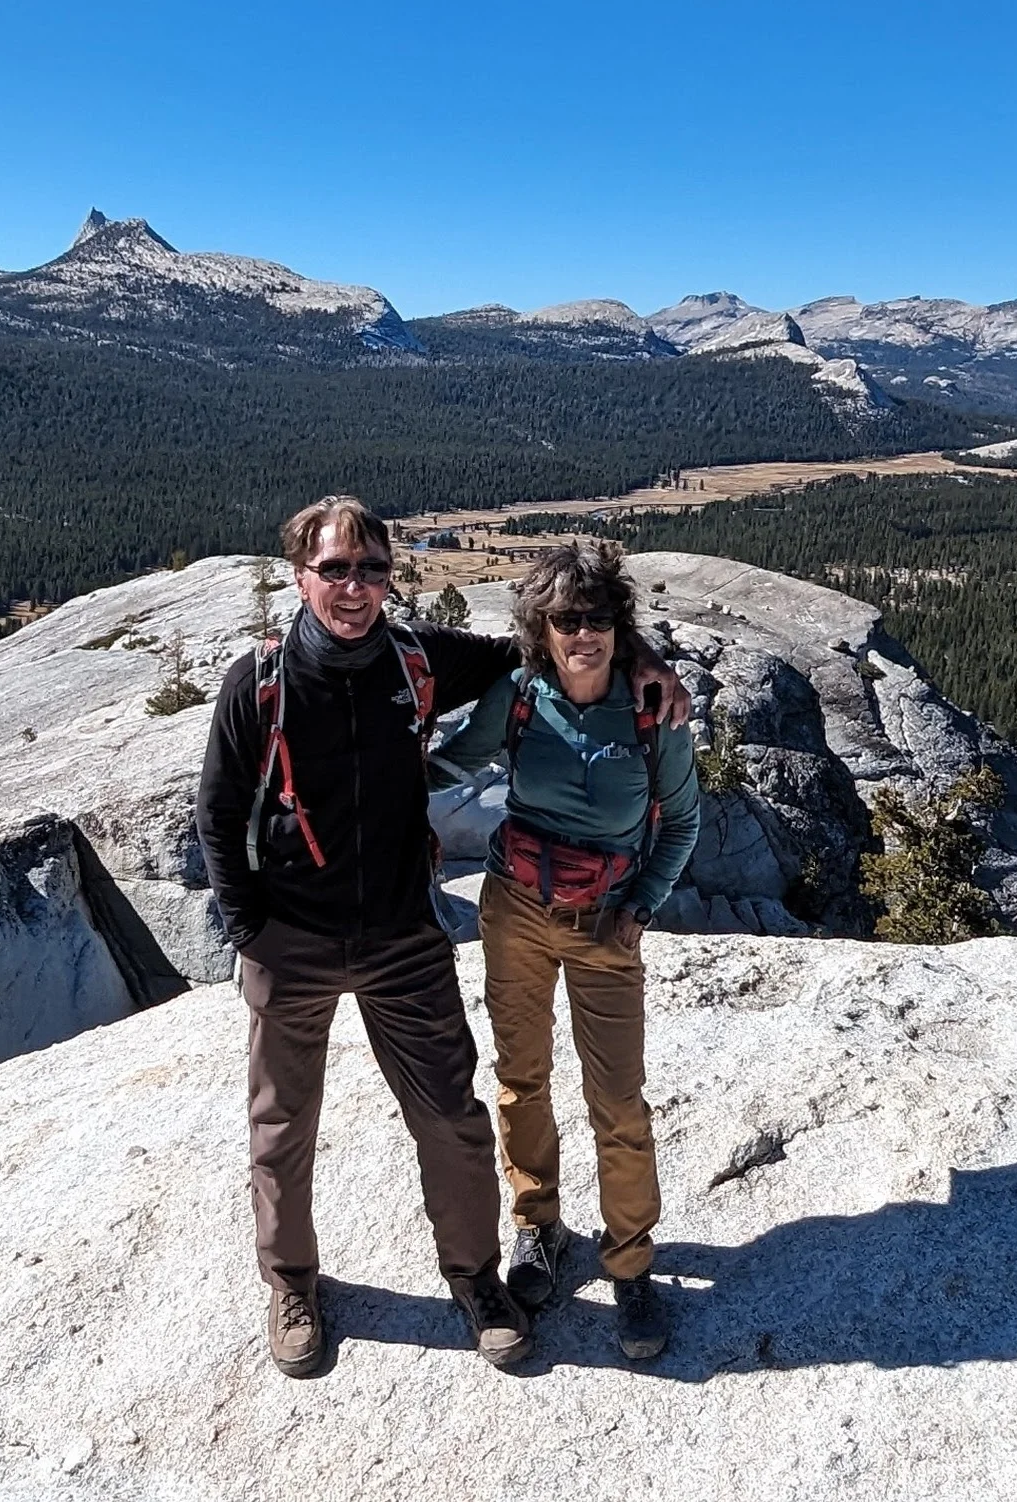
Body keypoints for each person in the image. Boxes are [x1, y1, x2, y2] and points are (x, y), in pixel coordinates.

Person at [195, 497, 684, 1378]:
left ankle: (475, 1279)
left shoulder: (417, 657)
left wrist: (638, 651)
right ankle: (292, 1282)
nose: (354, 588)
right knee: (281, 1127)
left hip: (400, 937)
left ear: (390, 577)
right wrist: (247, 930)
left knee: (454, 1124)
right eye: (335, 569)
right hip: (292, 939)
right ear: (301, 576)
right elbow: (218, 810)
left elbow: (541, 647)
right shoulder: (257, 683)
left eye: (371, 570)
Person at [425, 538, 702, 1360]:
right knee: (520, 1078)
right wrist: (373, 775)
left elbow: (681, 822)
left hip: (603, 922)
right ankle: (537, 1228)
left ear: (619, 626)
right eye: (564, 620)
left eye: (597, 618)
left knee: (618, 1102)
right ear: (538, 631)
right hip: (513, 909)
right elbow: (457, 764)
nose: (582, 634)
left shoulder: (652, 711)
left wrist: (641, 910)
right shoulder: (518, 695)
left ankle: (631, 1263)